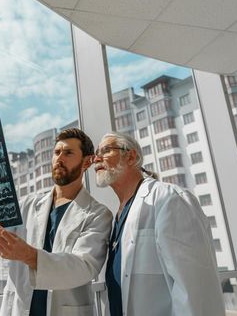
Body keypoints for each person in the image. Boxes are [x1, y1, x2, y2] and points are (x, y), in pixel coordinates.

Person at [0, 128, 112, 316]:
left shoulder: (98, 214)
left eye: (68, 153)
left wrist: (29, 255)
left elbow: (84, 267)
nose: (59, 158)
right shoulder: (28, 204)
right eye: (56, 152)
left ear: (87, 162)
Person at [94, 131, 225, 316]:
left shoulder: (169, 199)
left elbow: (196, 288)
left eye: (106, 150)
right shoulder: (117, 217)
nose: (97, 158)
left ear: (131, 156)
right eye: (96, 152)